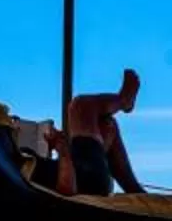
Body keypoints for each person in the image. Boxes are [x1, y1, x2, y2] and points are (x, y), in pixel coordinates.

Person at [54, 69, 144, 198]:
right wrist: (62, 150)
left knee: (107, 125)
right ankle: (124, 101)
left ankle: (135, 190)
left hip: (83, 173)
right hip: (84, 178)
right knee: (80, 105)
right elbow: (67, 190)